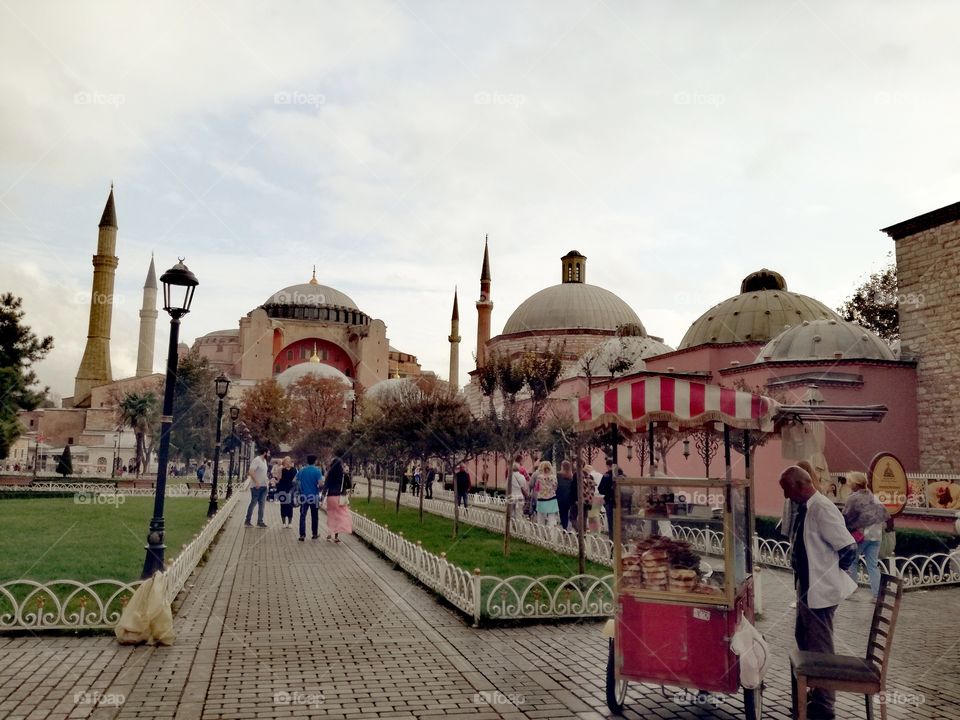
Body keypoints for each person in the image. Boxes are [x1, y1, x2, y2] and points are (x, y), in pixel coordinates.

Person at [780, 465, 858, 720]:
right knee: (803, 638)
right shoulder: (806, 508)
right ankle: (813, 692)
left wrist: (830, 577)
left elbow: (848, 548)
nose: (785, 496)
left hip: (820, 590)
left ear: (801, 485)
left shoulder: (822, 507)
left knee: (820, 646)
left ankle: (824, 706)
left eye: (787, 489)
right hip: (807, 586)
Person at [842, 471, 890, 599]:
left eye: (849, 481)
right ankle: (877, 594)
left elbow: (846, 517)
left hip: (862, 535)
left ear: (855, 484)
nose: (848, 484)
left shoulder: (853, 498)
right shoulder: (873, 496)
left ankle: (851, 590)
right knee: (873, 565)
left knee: (852, 561)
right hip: (877, 534)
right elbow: (884, 514)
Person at [323, 454, 352, 543]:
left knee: (331, 515)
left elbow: (326, 486)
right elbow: (349, 486)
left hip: (330, 497)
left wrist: (322, 496)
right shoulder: (344, 475)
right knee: (339, 517)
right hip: (339, 498)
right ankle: (335, 537)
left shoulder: (329, 474)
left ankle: (329, 534)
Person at [296, 455, 323, 541]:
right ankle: (314, 534)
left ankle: (302, 535)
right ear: (315, 461)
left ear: (307, 461)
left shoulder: (302, 470)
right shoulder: (317, 471)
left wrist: (300, 488)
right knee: (314, 515)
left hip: (304, 496)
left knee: (303, 515)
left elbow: (295, 480)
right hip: (314, 496)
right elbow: (321, 483)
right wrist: (319, 488)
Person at [245, 447, 271, 528]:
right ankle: (247, 521)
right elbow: (251, 472)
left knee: (262, 504)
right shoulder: (257, 460)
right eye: (268, 453)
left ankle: (260, 521)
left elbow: (263, 473)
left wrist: (268, 481)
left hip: (264, 486)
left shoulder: (265, 461)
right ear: (265, 453)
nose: (269, 454)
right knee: (253, 503)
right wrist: (256, 482)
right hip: (256, 486)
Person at [597, 458, 623, 537]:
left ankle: (613, 543)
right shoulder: (622, 475)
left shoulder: (606, 476)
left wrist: (607, 493)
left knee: (611, 524)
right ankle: (622, 542)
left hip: (610, 502)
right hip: (622, 503)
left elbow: (600, 489)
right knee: (621, 524)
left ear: (608, 466)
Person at [534, 461, 560, 526]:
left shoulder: (539, 477)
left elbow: (536, 488)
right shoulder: (554, 477)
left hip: (541, 499)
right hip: (551, 499)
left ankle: (541, 533)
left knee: (540, 518)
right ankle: (552, 533)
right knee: (552, 517)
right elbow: (555, 488)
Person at [276, 456, 297, 528]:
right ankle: (283, 523)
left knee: (290, 506)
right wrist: (280, 469)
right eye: (286, 461)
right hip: (282, 489)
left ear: (290, 462)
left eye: (289, 461)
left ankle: (290, 523)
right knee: (283, 506)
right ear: (284, 462)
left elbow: (295, 480)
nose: (287, 463)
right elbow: (279, 479)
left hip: (290, 490)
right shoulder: (281, 469)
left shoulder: (294, 470)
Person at [556, 460, 576, 530]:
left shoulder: (558, 475)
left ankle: (565, 527)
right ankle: (568, 527)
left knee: (562, 513)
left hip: (560, 496)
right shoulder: (571, 476)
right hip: (569, 497)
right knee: (568, 512)